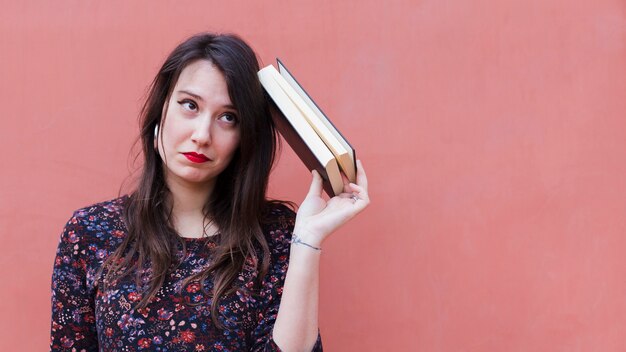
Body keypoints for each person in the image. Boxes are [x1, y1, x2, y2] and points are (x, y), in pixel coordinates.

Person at [50, 33, 369, 351]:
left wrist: (307, 241)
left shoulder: (276, 236)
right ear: (161, 112)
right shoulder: (90, 232)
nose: (202, 135)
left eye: (227, 118)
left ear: (244, 137)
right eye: (190, 105)